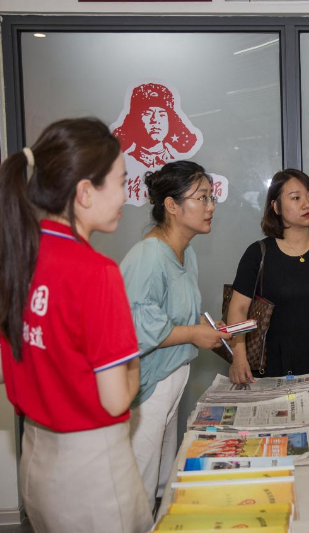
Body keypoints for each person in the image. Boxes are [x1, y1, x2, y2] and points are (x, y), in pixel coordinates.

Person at [0, 118, 152, 533]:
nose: (125, 194)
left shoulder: (20, 256)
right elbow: (115, 400)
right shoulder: (97, 272)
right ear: (84, 192)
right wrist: (134, 365)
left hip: (36, 462)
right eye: (121, 181)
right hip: (92, 472)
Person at [119, 161, 231, 510]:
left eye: (212, 198)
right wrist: (194, 334)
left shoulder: (187, 252)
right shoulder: (149, 256)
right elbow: (137, 327)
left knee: (161, 477)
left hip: (172, 378)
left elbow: (174, 314)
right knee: (139, 481)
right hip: (147, 385)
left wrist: (206, 327)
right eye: (202, 198)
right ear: (171, 205)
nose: (211, 207)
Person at [227, 169, 309, 385]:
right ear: (276, 207)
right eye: (296, 198)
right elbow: (238, 308)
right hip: (272, 361)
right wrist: (238, 357)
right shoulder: (258, 253)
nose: (307, 204)